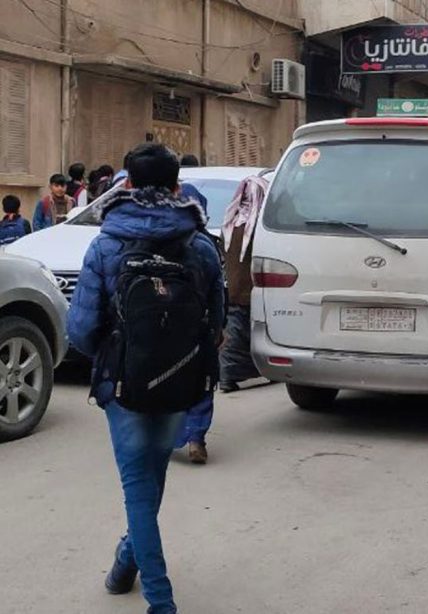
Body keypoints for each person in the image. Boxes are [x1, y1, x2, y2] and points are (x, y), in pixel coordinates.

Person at [66, 143, 224, 614]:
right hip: (181, 384)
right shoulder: (200, 244)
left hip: (123, 388)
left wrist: (116, 360)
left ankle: (161, 601)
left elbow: (79, 330)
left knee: (139, 486)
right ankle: (122, 566)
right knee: (149, 482)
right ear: (178, 187)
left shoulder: (105, 243)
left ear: (127, 185)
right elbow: (216, 326)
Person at [219, 175, 270, 392]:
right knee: (244, 334)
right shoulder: (259, 227)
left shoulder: (230, 222)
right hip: (251, 289)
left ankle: (229, 374)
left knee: (236, 333)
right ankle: (229, 374)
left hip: (234, 289)